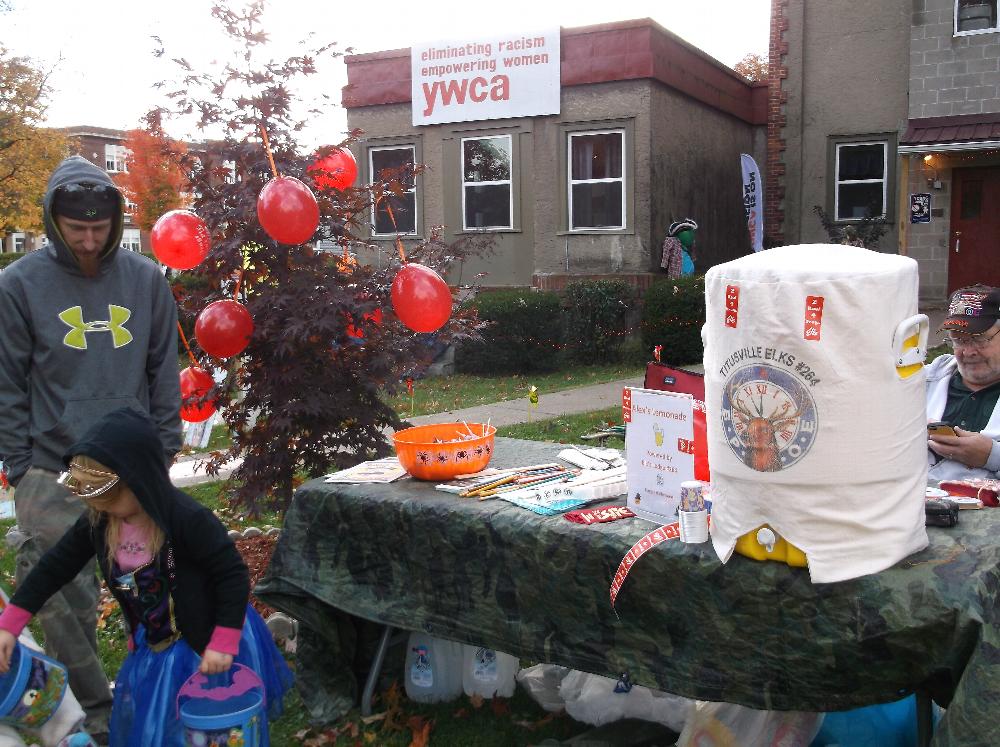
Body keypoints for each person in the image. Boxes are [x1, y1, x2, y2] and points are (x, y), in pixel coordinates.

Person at [0, 154, 182, 738]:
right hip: (53, 465)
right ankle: (93, 717)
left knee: (151, 590)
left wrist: (164, 447)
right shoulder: (18, 285)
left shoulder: (146, 280)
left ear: (115, 221)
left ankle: (157, 699)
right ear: (52, 221)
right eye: (75, 229)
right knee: (61, 596)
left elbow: (162, 368)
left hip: (130, 468)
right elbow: (8, 382)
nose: (87, 240)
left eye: (99, 229)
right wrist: (20, 466)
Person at [0, 408, 293, 746]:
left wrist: (223, 641)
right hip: (157, 642)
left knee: (212, 723)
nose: (102, 507)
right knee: (166, 722)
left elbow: (231, 574)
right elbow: (54, 567)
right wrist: (10, 623)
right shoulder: (99, 521)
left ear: (139, 481)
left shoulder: (186, 518)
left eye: (109, 498)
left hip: (208, 637)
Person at [926, 285, 1000, 481]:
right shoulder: (919, 382)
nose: (968, 352)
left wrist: (991, 456)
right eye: (959, 340)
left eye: (979, 339)